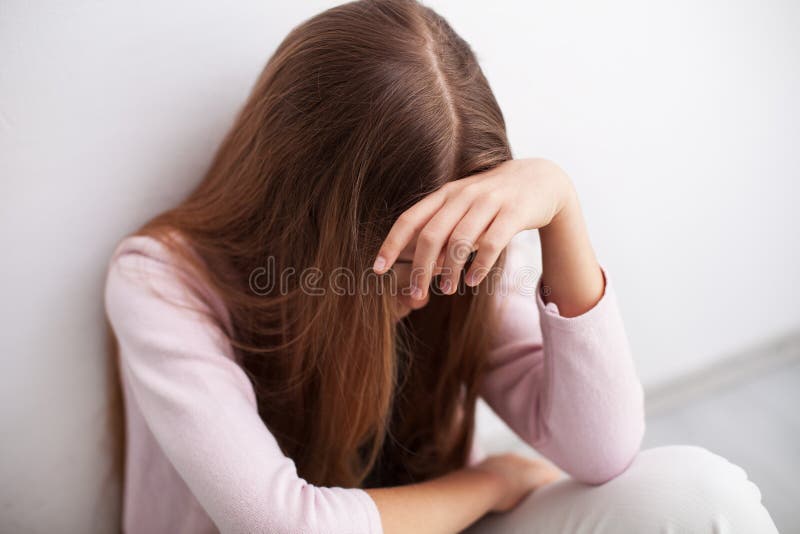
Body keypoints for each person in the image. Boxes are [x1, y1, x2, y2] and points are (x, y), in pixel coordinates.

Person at [103, 0, 779, 532]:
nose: (424, 290)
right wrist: (492, 482)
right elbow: (283, 525)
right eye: (401, 258)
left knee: (699, 493)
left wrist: (561, 206)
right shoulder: (160, 282)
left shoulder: (458, 267)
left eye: (445, 247)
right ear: (311, 219)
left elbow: (602, 452)